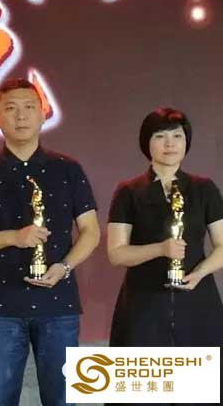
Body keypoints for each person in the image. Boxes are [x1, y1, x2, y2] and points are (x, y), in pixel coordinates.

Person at [0, 78, 100, 406]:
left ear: (43, 114)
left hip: (58, 304)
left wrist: (64, 267)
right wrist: (14, 237)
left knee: (63, 400)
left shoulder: (68, 169)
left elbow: (91, 231)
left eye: (29, 107)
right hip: (1, 306)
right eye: (11, 108)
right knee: (0, 399)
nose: (21, 116)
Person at [106, 107, 223, 405]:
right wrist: (160, 249)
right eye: (160, 136)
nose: (170, 143)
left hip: (198, 306)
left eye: (177, 136)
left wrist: (200, 273)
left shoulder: (204, 189)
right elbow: (117, 253)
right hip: (143, 307)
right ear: (147, 143)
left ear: (186, 142)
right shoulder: (128, 191)